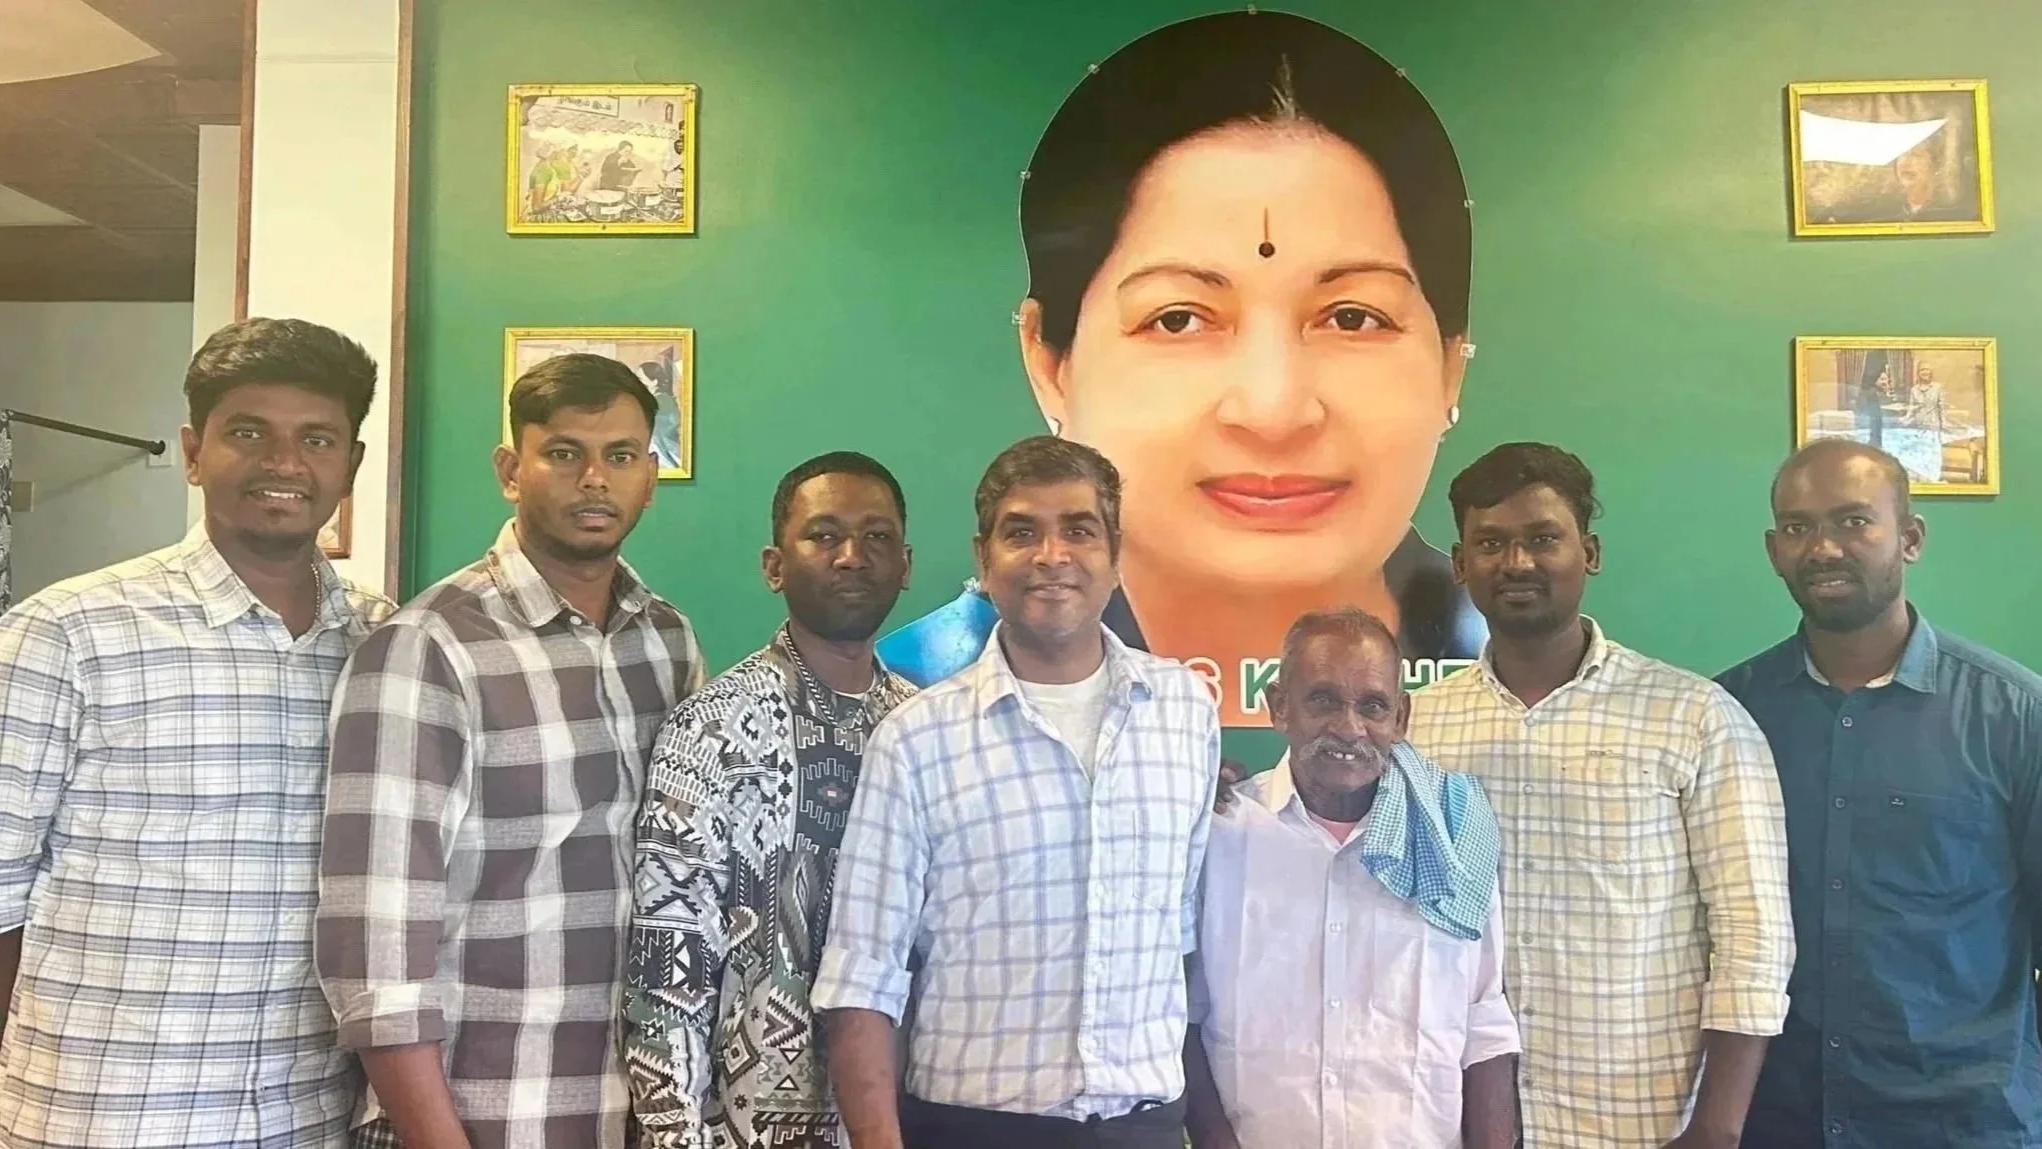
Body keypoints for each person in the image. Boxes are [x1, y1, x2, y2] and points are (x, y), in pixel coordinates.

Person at [877, 11, 1486, 722]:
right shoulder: (914, 695)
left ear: (1451, 362)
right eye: (1178, 319)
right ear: (1050, 363)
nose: (1272, 408)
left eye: (1352, 317)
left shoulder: (1513, 681)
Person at [0, 317, 390, 1148]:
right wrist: (87, 1035)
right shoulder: (68, 632)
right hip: (114, 1113)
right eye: (249, 432)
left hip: (314, 1110)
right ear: (194, 450)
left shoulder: (381, 642)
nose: (284, 461)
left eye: (316, 439)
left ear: (349, 464)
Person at [316, 353, 707, 1149]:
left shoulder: (667, 641)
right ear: (510, 470)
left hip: (643, 1108)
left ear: (649, 476)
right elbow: (375, 945)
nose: (594, 478)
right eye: (563, 452)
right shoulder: (426, 647)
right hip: (489, 1109)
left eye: (621, 455)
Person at [1717, 440, 2042, 1149]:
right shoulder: (1724, 718)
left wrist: (1999, 1093)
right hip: (1774, 1125)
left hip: (1963, 1130)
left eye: (1854, 521)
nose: (1823, 547)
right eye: (1797, 527)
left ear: (1911, 538)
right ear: (1773, 550)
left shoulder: (2032, 722)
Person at [813, 436, 1221, 1149]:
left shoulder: (1185, 713)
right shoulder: (916, 740)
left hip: (1145, 1127)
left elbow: (1180, 947)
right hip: (969, 1129)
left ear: (1115, 554)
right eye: (1022, 531)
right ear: (983, 557)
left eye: (1079, 530)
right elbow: (861, 981)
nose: (1052, 555)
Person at [1408, 442, 1795, 1149]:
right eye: (1490, 543)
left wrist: (1716, 1127)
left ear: (1588, 553)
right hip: (1456, 1118)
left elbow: (1754, 934)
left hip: (1638, 1123)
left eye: (1542, 538)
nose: (1517, 562)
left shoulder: (1694, 719)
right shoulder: (1417, 728)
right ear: (1460, 564)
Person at [624, 451, 920, 1148]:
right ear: (774, 565)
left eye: (877, 537)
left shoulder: (926, 730)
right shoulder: (710, 730)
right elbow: (666, 974)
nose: (852, 556)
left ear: (906, 565)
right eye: (824, 534)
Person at [1184, 607, 1517, 1149]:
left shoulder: (1453, 836)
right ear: (1279, 706)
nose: (1349, 728)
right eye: (1323, 700)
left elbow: (1484, 1025)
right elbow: (1186, 1018)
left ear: (1401, 717)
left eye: (1372, 706)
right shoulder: (1220, 835)